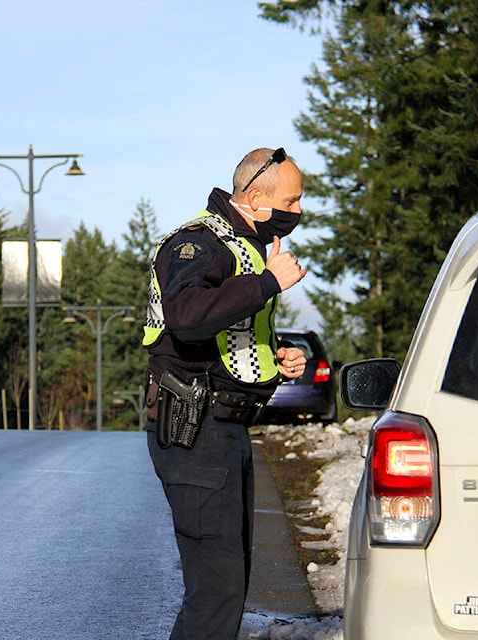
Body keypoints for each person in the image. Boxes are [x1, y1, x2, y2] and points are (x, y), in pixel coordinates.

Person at [142, 147, 308, 639]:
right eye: (292, 201)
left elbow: (219, 338)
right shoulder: (198, 242)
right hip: (195, 429)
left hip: (220, 430)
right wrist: (268, 283)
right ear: (255, 198)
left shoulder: (241, 244)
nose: (297, 212)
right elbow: (187, 317)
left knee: (224, 586)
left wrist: (274, 356)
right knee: (216, 590)